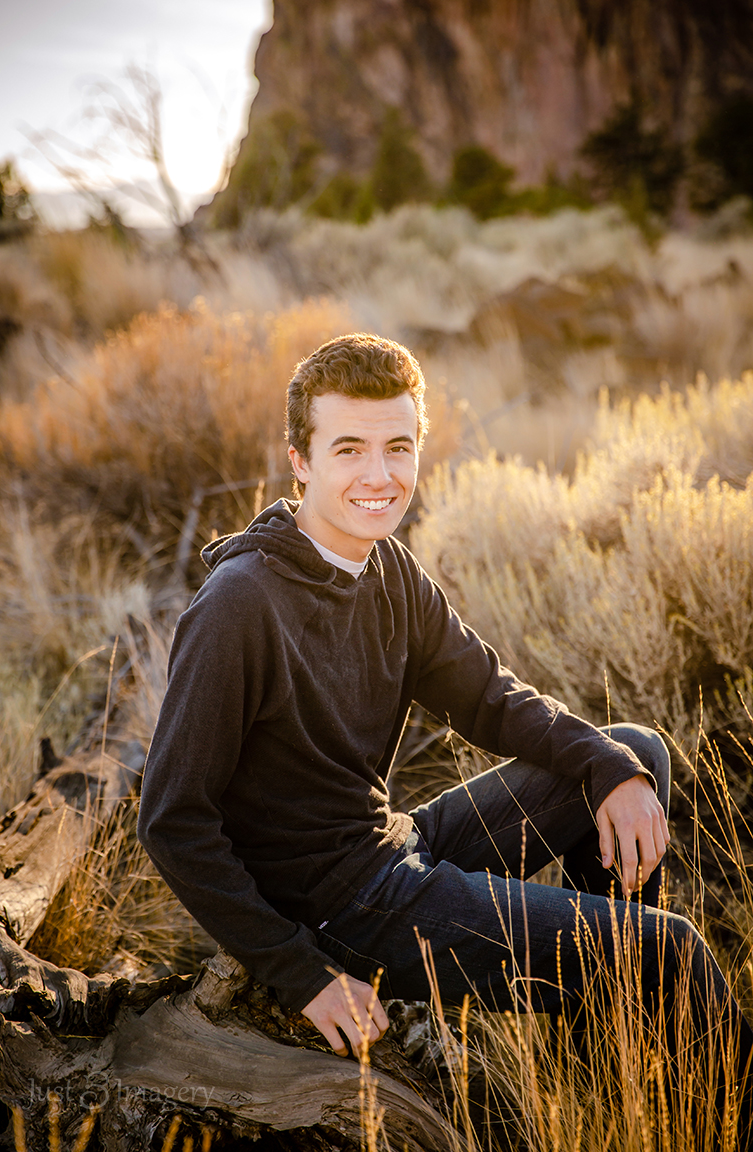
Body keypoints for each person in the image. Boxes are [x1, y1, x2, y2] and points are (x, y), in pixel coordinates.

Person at [138, 333, 751, 1130]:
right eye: (349, 449)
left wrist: (605, 765)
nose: (379, 475)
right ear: (300, 461)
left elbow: (491, 698)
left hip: (389, 846)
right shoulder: (238, 606)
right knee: (671, 951)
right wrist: (301, 974)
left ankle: (610, 1076)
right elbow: (172, 818)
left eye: (398, 447)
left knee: (632, 754)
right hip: (339, 911)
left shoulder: (388, 569)